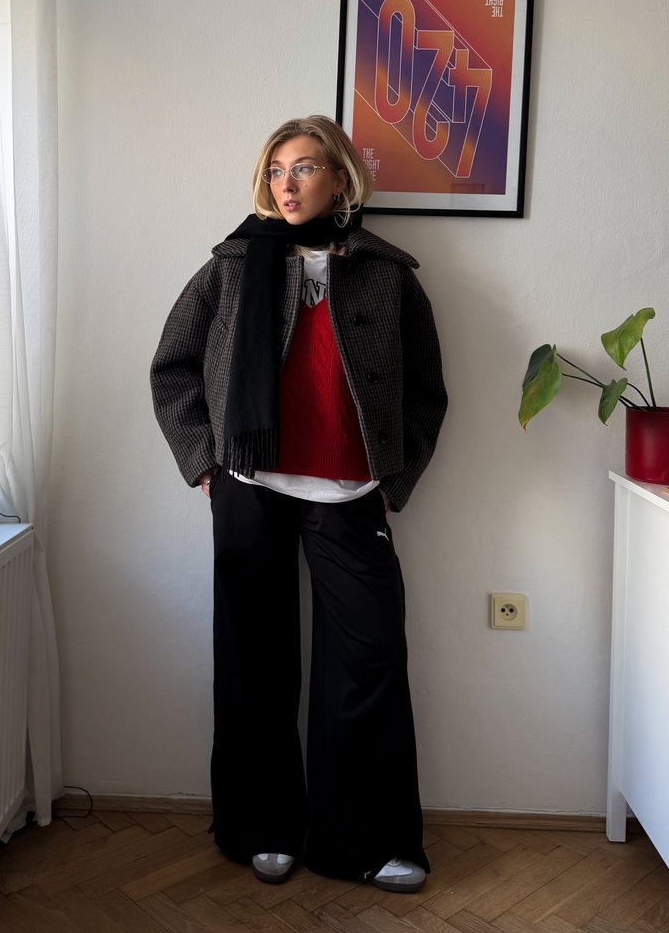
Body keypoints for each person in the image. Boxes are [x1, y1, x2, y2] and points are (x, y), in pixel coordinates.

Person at [150, 115, 447, 892]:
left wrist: (396, 476)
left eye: (305, 167)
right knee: (254, 662)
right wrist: (203, 461)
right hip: (250, 490)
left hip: (350, 495)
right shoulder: (231, 265)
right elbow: (173, 366)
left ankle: (363, 841)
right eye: (276, 169)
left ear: (340, 178)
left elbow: (426, 391)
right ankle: (263, 825)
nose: (287, 183)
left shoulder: (387, 274)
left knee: (369, 659)